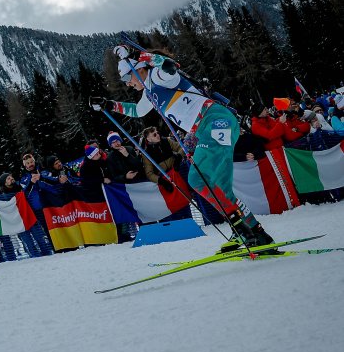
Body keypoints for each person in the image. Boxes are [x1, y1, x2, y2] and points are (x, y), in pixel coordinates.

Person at [91, 45, 275, 249]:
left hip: (214, 120)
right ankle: (257, 233)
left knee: (197, 178)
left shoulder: (158, 77)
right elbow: (138, 111)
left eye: (127, 78)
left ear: (139, 68)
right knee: (220, 188)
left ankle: (241, 230)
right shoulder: (149, 92)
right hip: (207, 127)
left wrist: (138, 54)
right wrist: (108, 104)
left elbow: (171, 66)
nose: (128, 84)